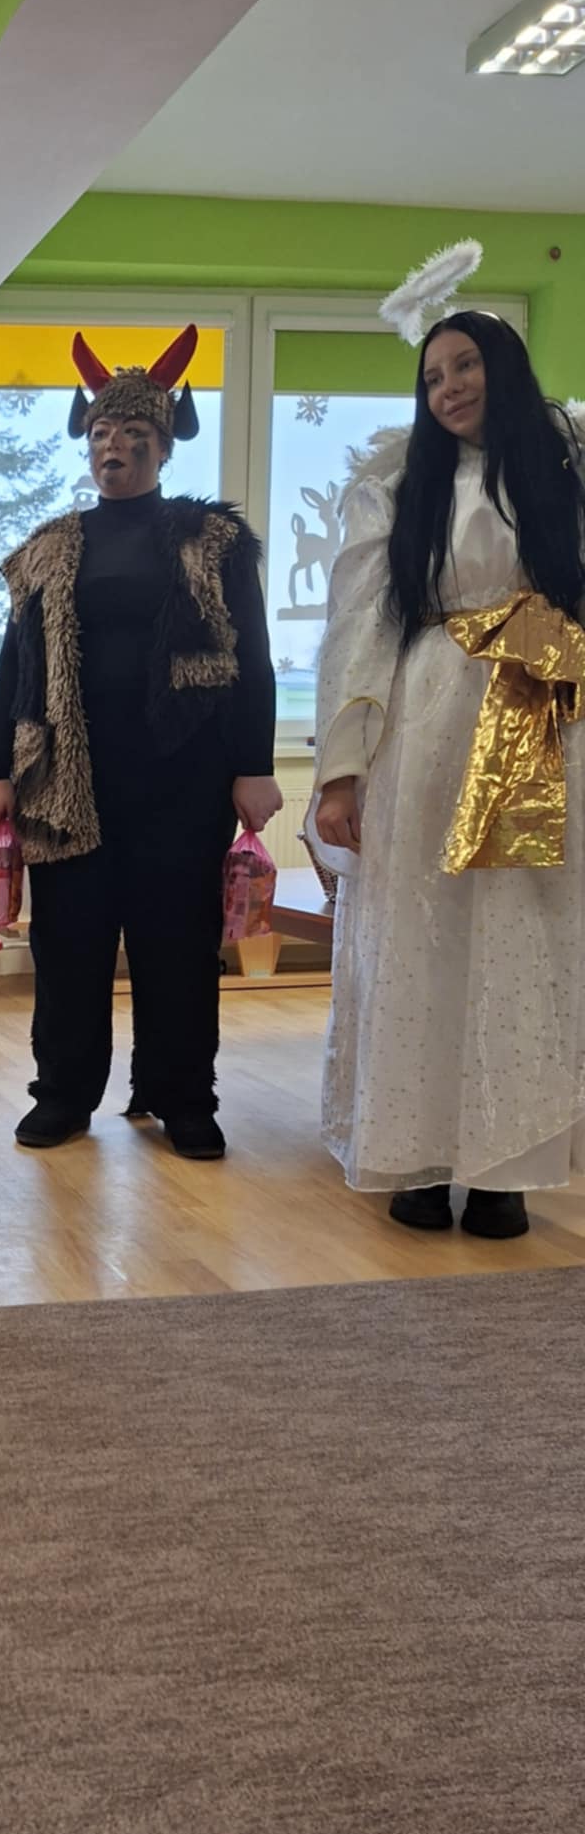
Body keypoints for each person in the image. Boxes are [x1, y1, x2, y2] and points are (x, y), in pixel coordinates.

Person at [312, 309, 585, 1238]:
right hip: (426, 726)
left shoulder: (565, 473)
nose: (450, 388)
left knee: (521, 933)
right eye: (432, 377)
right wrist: (342, 771)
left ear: (504, 367)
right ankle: (417, 1155)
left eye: (465, 366)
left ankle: (505, 1166)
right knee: (418, 933)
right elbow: (359, 626)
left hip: (540, 711)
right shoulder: (396, 488)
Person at [0, 327, 281, 1160]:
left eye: (133, 433)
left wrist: (254, 766)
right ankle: (63, 1096)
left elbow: (252, 657)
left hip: (183, 780)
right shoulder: (48, 547)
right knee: (69, 948)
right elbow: (15, 665)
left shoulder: (212, 541)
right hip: (64, 783)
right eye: (102, 432)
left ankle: (182, 1098)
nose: (113, 446)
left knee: (176, 948)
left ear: (164, 444)